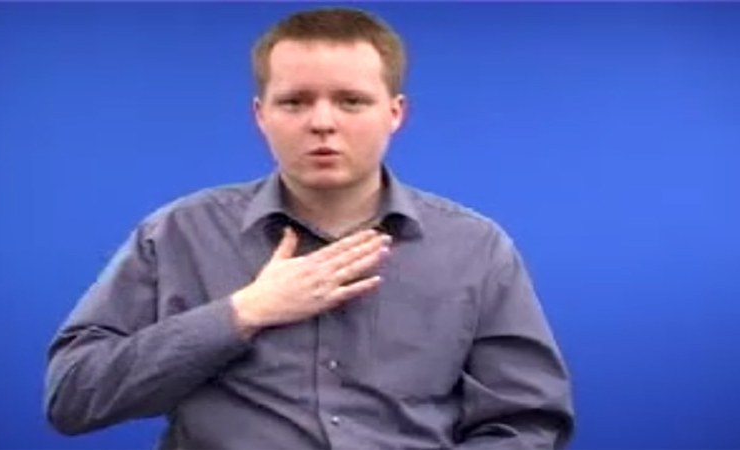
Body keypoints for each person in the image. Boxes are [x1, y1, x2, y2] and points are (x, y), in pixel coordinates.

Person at [44, 6, 575, 449]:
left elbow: (527, 421)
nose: (323, 122)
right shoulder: (177, 233)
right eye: (295, 101)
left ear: (395, 113)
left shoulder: (476, 249)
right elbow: (72, 397)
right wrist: (242, 313)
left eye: (351, 101)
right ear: (261, 114)